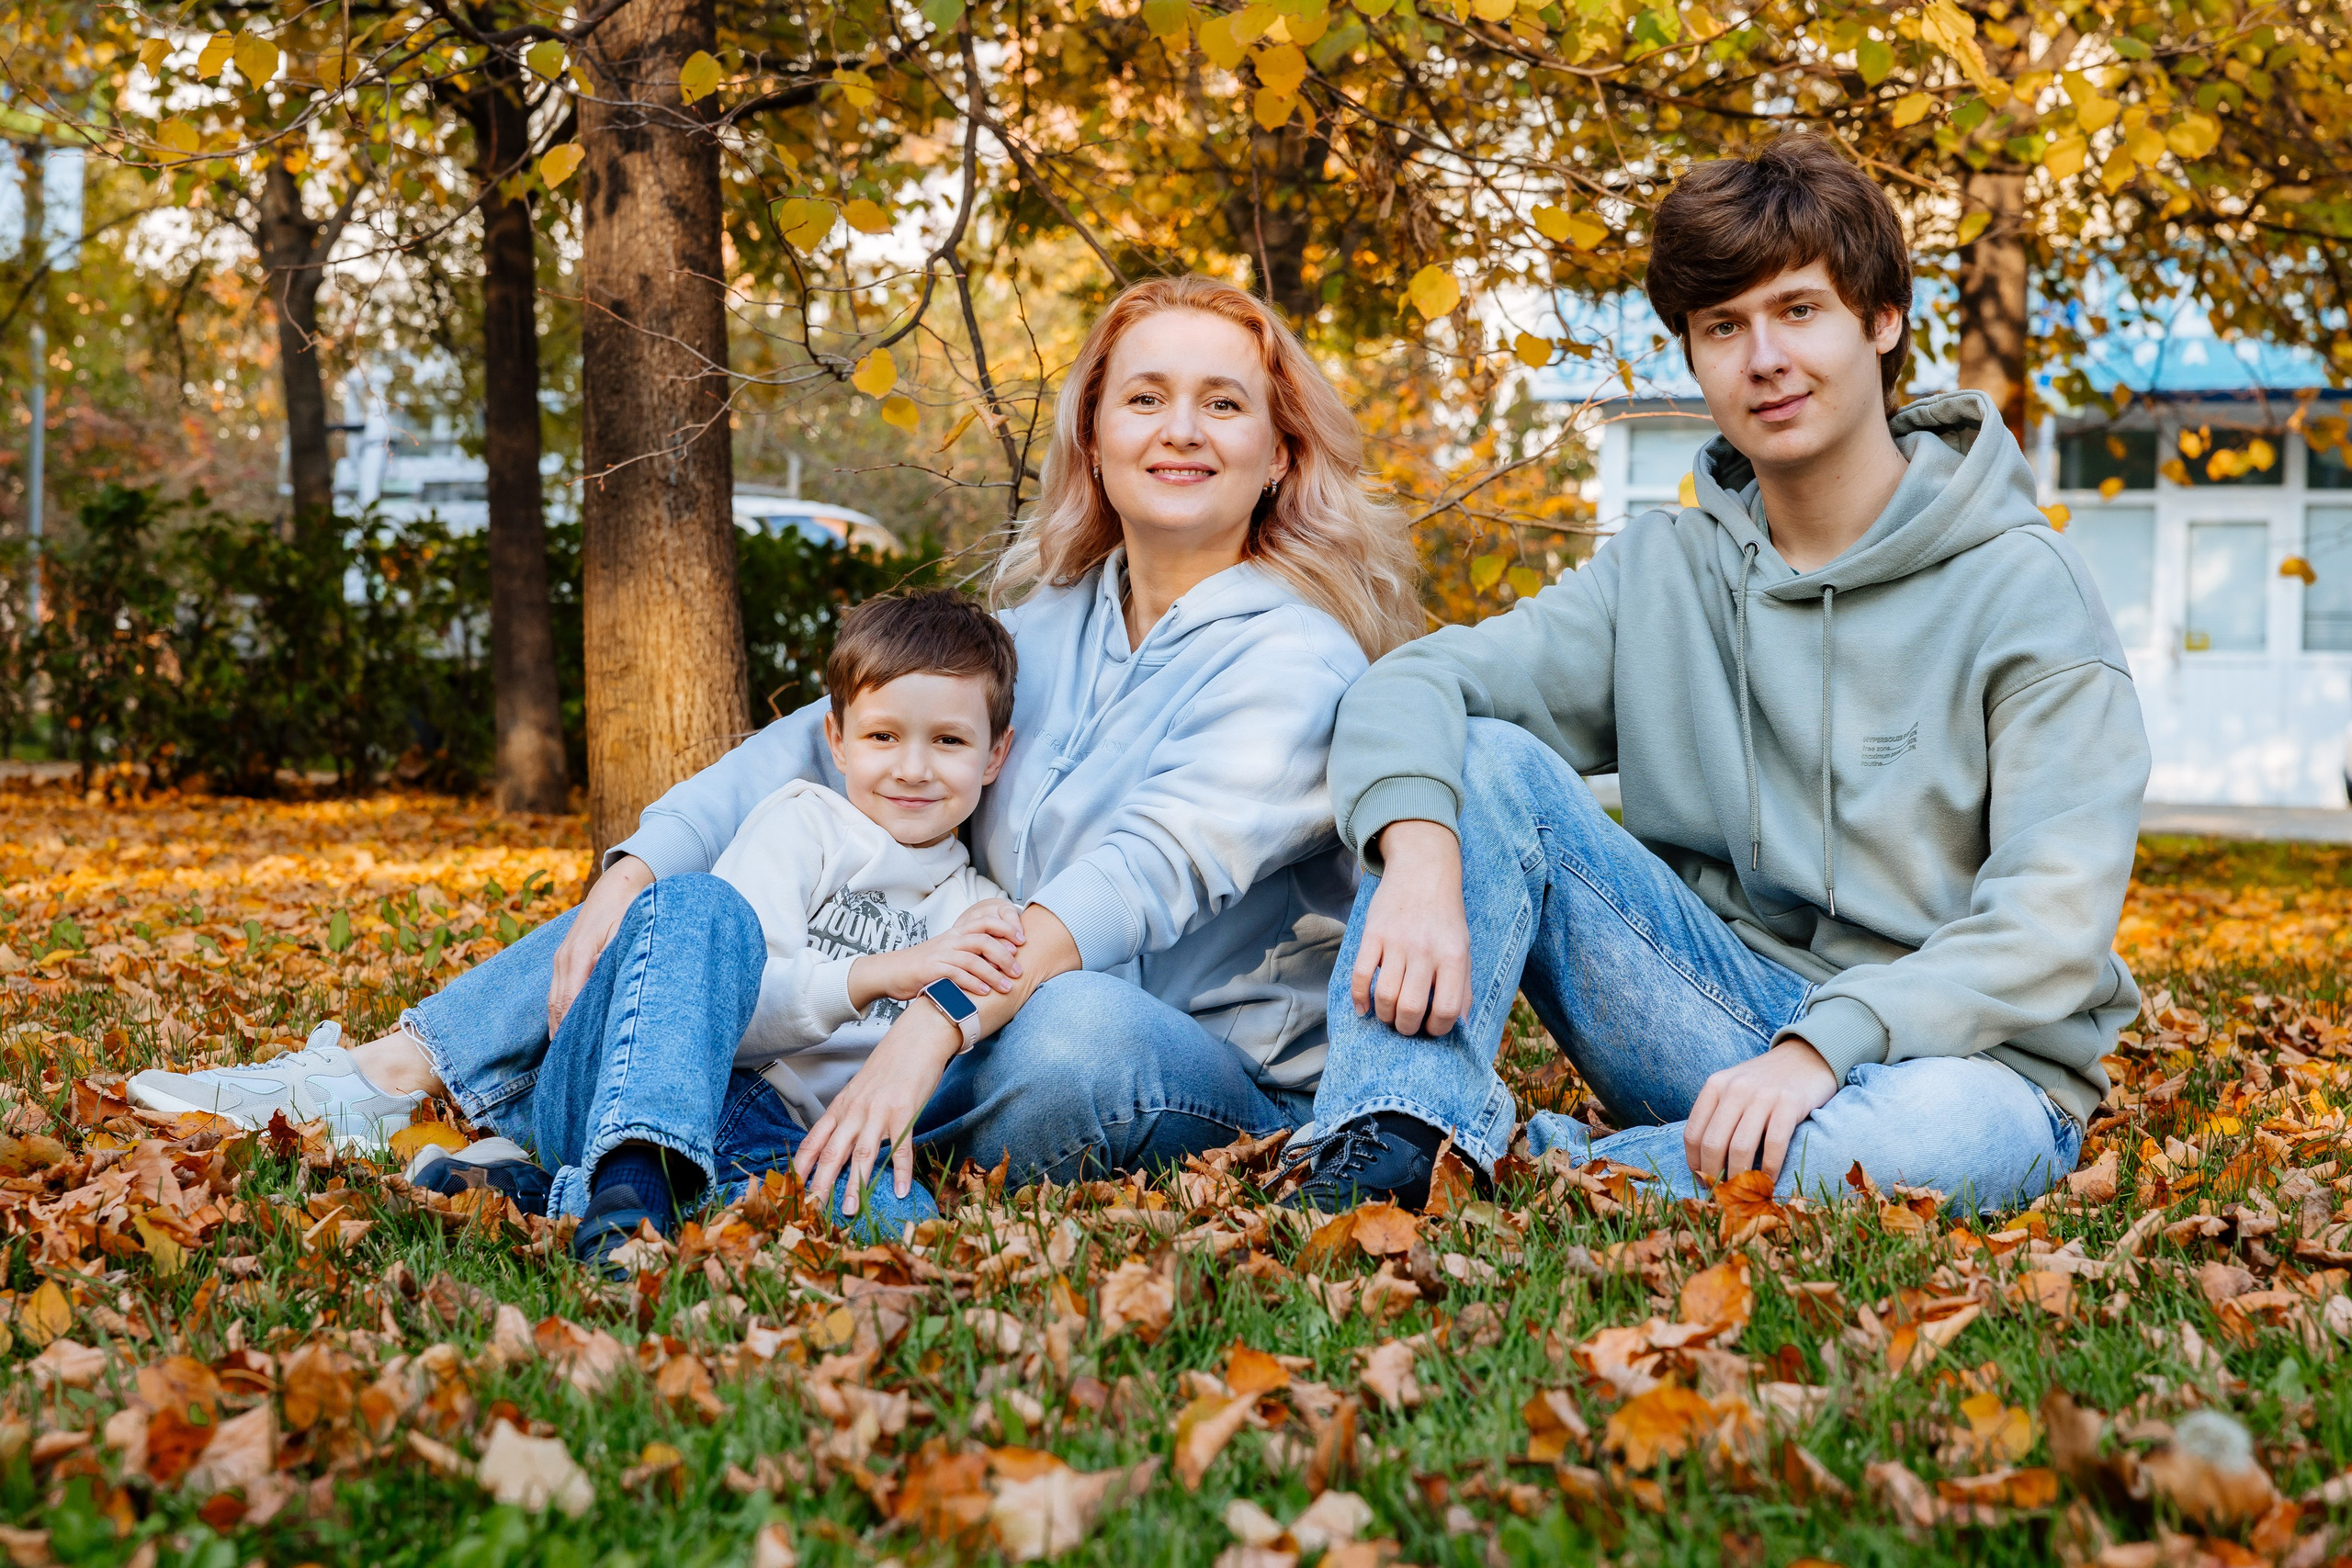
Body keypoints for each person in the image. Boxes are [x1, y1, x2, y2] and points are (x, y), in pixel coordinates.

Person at [135, 273, 1421, 1236]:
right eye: (1145, 397)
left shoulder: (1298, 657)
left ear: (1278, 448)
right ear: (1093, 434)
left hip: (1171, 1059)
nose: (1179, 428)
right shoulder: (1047, 624)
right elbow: (813, 748)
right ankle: (396, 1073)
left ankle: (585, 1146)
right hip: (970, 1011)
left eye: (1222, 403)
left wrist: (931, 1023)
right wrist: (632, 870)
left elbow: (1140, 876)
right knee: (702, 904)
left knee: (1076, 1021)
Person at [1282, 137, 2149, 1214]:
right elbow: (1411, 684)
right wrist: (1416, 857)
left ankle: (1530, 1173)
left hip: (1963, 1064)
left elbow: (2051, 921)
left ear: (1880, 322)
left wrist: (1827, 1048)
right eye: (1722, 328)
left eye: (1797, 311)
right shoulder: (1662, 571)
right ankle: (1388, 1138)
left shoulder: (2024, 584)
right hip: (1713, 1021)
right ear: (1692, 356)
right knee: (1480, 761)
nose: (1763, 359)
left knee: (1950, 1137)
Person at [132, 591, 1026, 1266]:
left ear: (994, 754)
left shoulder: (976, 905)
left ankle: (538, 1189)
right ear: (834, 738)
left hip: (784, 1137)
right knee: (694, 905)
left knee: (901, 1225)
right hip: (665, 1080)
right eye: (883, 738)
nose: (913, 768)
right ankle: (627, 1187)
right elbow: (730, 1015)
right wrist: (881, 973)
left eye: (948, 743)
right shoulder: (800, 821)